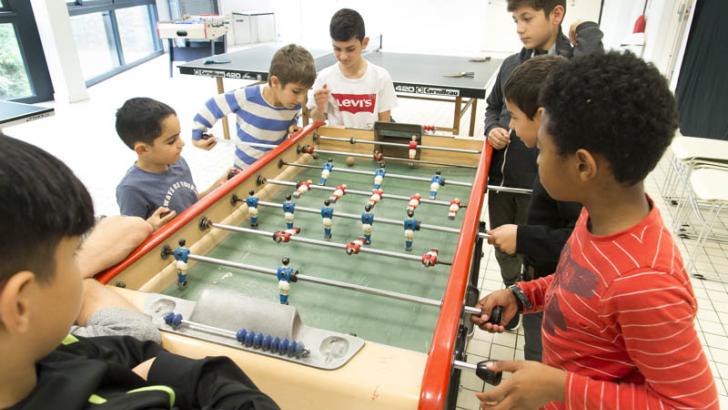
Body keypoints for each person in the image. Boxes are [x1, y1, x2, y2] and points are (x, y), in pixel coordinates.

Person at [471, 52, 718, 409]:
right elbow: (578, 281)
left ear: (583, 165)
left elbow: (691, 405)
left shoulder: (646, 282)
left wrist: (561, 387)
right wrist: (524, 296)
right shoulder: (596, 218)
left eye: (545, 148)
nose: (537, 158)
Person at [0, 134, 279, 409]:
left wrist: (158, 365)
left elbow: (134, 347)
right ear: (20, 304)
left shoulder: (54, 349)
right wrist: (171, 371)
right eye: (74, 256)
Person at [484, 0, 602, 330]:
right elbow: (493, 109)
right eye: (515, 20)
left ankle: (529, 308)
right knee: (513, 254)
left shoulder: (573, 70)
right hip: (506, 182)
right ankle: (516, 298)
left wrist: (589, 32)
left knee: (535, 254)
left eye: (527, 18)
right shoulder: (513, 66)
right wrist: (492, 127)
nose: (520, 27)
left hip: (542, 194)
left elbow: (577, 243)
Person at [487, 55, 579, 361]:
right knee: (534, 355)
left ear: (540, 117)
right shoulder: (556, 157)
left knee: (541, 357)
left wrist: (523, 237)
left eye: (513, 117)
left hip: (563, 302)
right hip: (545, 285)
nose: (510, 126)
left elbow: (584, 246)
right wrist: (522, 294)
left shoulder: (566, 172)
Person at [191, 44, 317, 170]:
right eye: (296, 91)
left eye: (305, 92)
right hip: (244, 171)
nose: (301, 99)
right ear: (275, 82)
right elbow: (212, 105)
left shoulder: (292, 103)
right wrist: (197, 136)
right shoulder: (246, 97)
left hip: (274, 167)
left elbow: (291, 118)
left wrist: (291, 126)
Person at [115, 97, 229, 230]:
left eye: (178, 135)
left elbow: (189, 204)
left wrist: (216, 187)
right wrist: (150, 227)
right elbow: (131, 237)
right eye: (171, 141)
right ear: (142, 149)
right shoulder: (130, 190)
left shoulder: (178, 162)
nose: (182, 143)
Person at [309, 8, 397, 129]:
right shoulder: (324, 78)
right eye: (337, 49)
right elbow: (316, 123)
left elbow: (384, 124)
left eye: (350, 49)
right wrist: (319, 108)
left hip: (369, 146)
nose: (343, 56)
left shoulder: (381, 77)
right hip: (336, 145)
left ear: (364, 43)